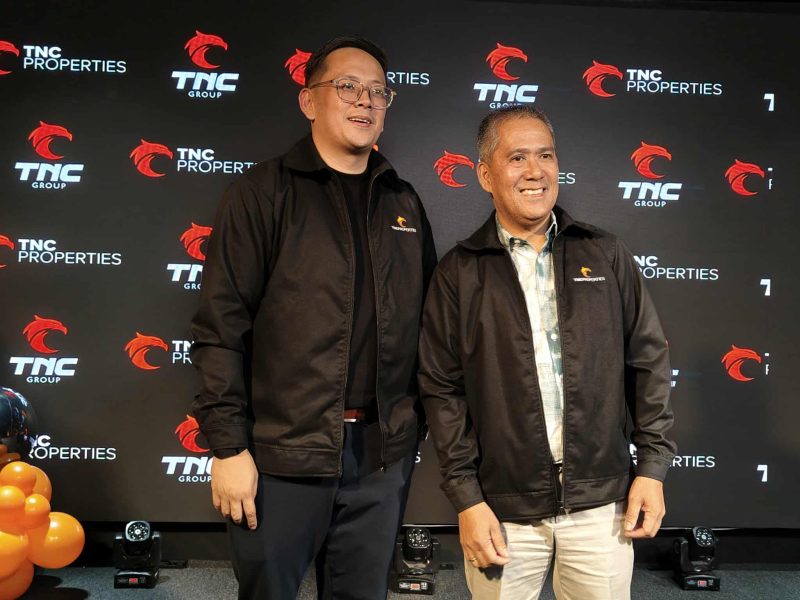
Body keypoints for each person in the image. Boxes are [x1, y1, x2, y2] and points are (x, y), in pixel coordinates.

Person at [190, 35, 437, 600]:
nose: (365, 100)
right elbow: (220, 331)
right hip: (280, 456)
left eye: (378, 91)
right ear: (308, 101)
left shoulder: (403, 201)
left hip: (379, 460)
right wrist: (228, 448)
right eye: (347, 86)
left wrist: (409, 432)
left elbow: (426, 329)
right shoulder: (260, 193)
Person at [418, 105, 676, 600]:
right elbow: (442, 391)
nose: (535, 171)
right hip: (501, 511)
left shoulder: (605, 253)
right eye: (517, 158)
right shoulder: (458, 272)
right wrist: (467, 500)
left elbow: (648, 363)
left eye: (546, 155)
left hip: (601, 507)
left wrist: (651, 467)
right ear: (486, 175)